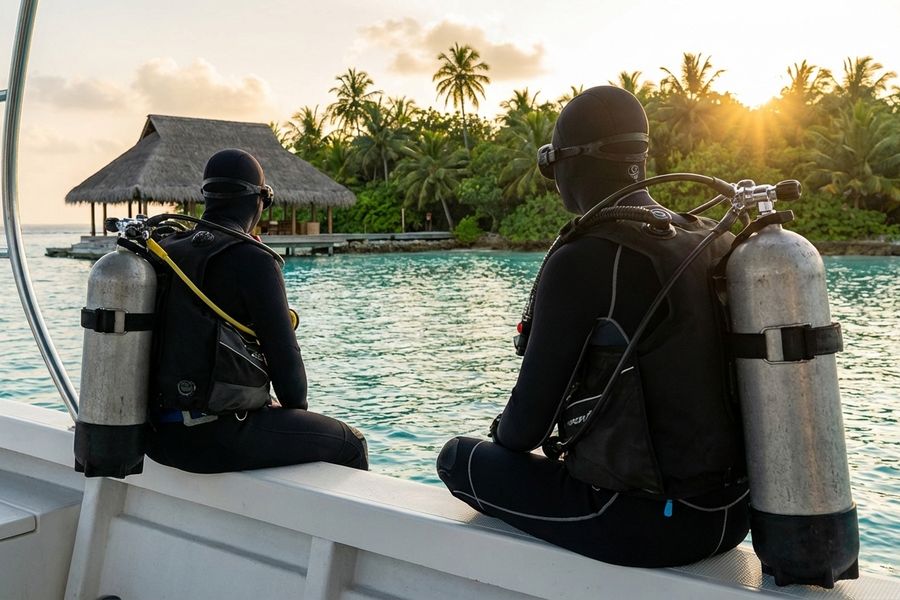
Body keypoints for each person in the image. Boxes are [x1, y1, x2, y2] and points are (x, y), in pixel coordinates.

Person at [436, 86, 749, 567]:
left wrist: (507, 433)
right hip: (732, 518)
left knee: (458, 459)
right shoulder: (707, 236)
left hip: (647, 526)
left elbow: (524, 432)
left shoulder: (586, 257)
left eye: (550, 163)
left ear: (568, 162)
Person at [146, 148, 367, 473]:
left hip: (155, 438)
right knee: (351, 443)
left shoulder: (166, 249)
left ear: (206, 196)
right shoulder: (253, 258)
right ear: (261, 199)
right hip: (210, 439)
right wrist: (291, 414)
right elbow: (287, 367)